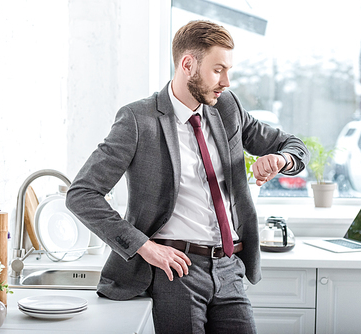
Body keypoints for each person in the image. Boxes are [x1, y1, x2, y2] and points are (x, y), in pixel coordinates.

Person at [66, 20, 309, 334]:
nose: (227, 81)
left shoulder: (228, 108)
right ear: (188, 64)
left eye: (228, 69)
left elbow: (293, 145)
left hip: (229, 269)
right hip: (176, 272)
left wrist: (281, 159)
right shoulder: (139, 121)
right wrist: (143, 246)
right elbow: (82, 194)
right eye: (218, 69)